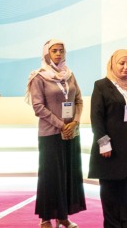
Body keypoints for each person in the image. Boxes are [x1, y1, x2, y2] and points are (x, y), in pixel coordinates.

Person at [28, 39, 85, 228]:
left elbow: (78, 100)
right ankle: (45, 218)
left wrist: (75, 122)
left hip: (71, 133)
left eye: (61, 50)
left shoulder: (69, 75)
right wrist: (61, 124)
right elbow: (38, 107)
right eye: (54, 51)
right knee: (50, 176)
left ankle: (63, 217)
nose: (58, 54)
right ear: (47, 54)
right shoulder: (39, 77)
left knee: (68, 175)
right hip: (51, 134)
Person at [89, 49, 127, 228]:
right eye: (121, 63)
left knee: (126, 191)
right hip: (109, 149)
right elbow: (96, 117)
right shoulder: (101, 86)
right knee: (110, 192)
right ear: (113, 64)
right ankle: (113, 225)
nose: (125, 67)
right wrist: (103, 143)